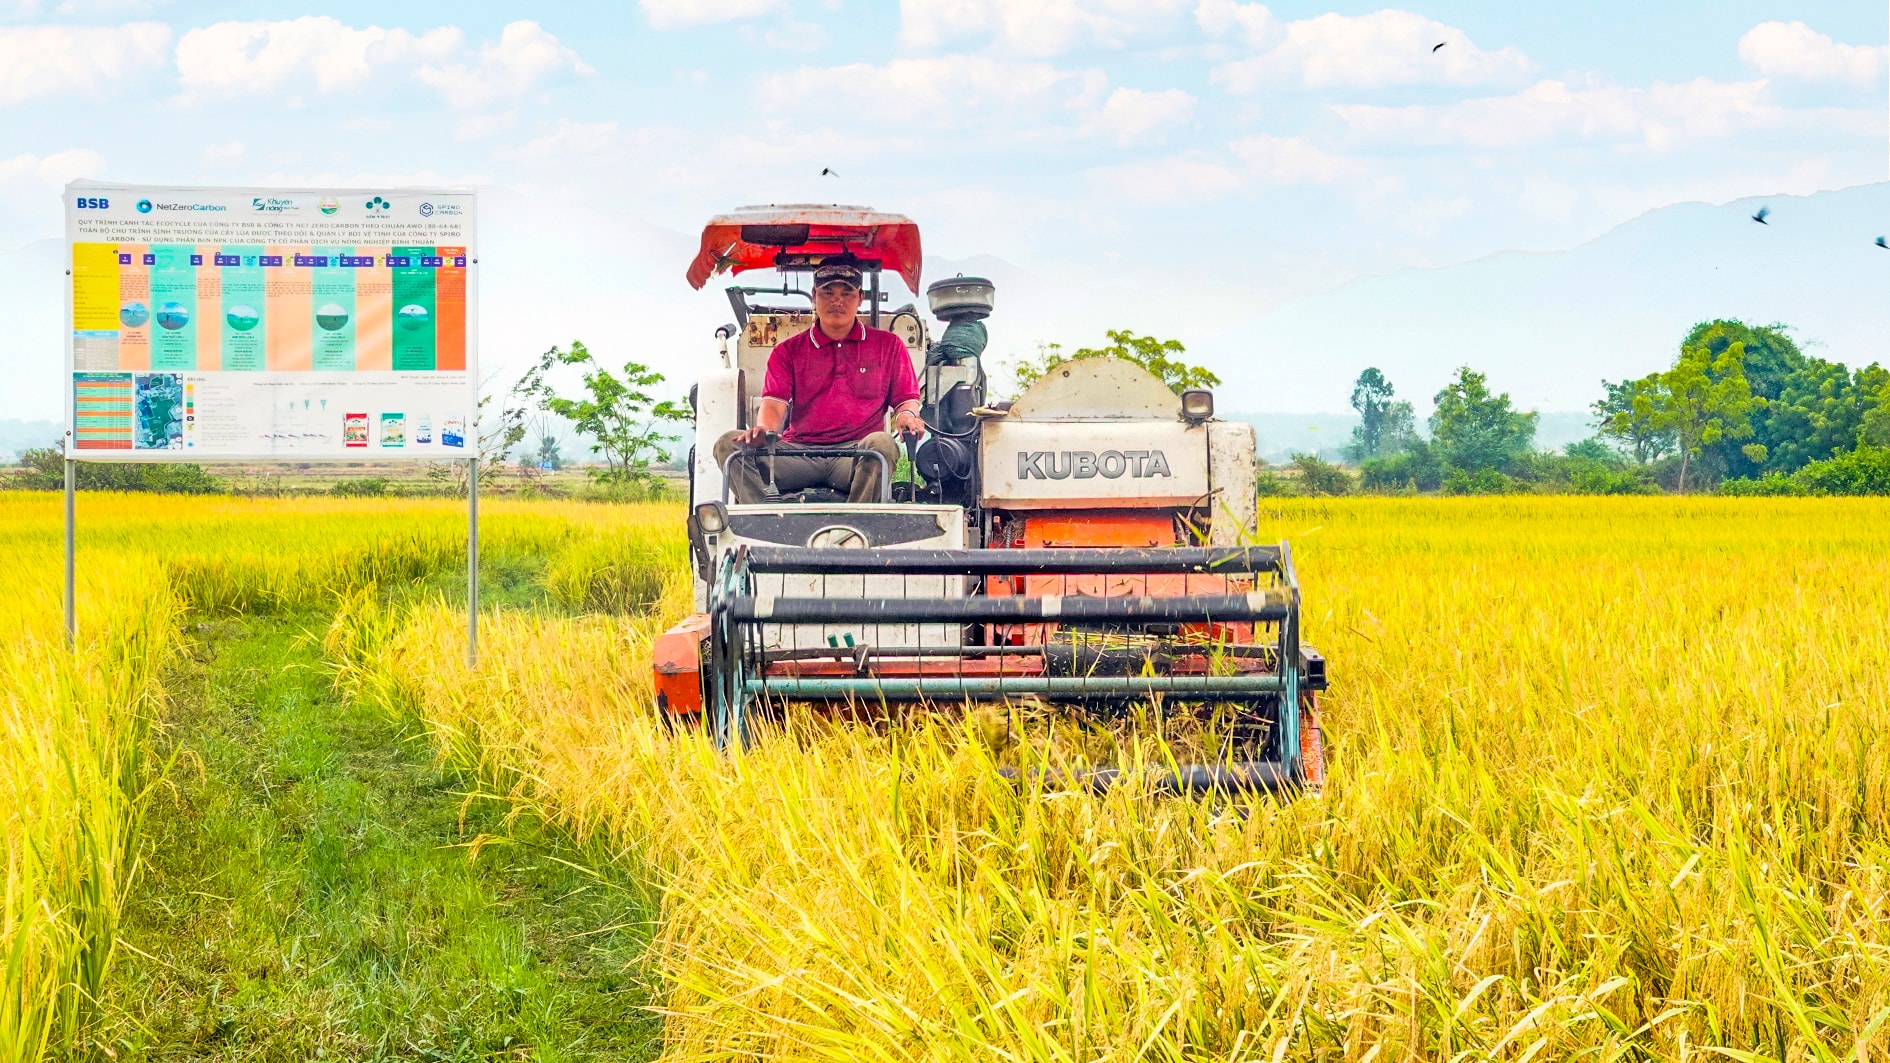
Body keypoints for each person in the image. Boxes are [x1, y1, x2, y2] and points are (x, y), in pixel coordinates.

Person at [713, 258, 925, 503]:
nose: (837, 301)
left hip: (856, 456)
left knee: (883, 443)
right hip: (798, 454)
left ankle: (855, 529)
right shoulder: (788, 351)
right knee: (727, 445)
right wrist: (765, 431)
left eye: (847, 293)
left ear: (860, 298)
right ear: (814, 296)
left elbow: (906, 400)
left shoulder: (889, 346)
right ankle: (768, 524)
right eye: (827, 292)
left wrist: (908, 417)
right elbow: (774, 403)